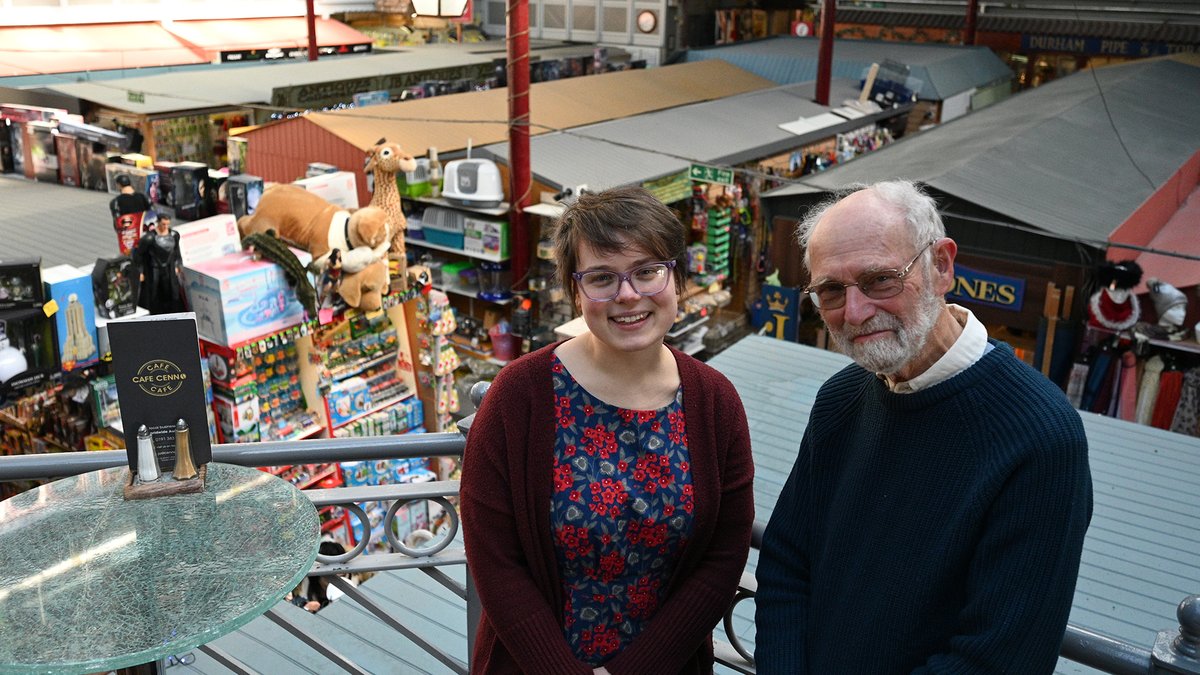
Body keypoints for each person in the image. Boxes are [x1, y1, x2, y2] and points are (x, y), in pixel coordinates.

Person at [754, 180, 1093, 674]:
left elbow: (998, 659)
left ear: (941, 266)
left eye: (880, 280)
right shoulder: (840, 398)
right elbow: (787, 561)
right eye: (830, 290)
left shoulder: (1040, 438)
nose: (855, 312)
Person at [460, 185, 754, 674]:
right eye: (601, 278)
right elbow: (493, 555)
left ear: (676, 277)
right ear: (576, 292)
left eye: (647, 271)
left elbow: (724, 556)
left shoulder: (715, 402)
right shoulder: (520, 395)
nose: (628, 295)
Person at [133, 213, 187, 315]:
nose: (165, 227)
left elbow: (176, 252)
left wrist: (178, 264)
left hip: (169, 268)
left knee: (171, 292)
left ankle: (171, 313)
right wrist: (140, 271)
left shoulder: (174, 235)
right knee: (153, 293)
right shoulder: (149, 238)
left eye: (167, 224)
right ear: (158, 223)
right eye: (163, 224)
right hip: (154, 269)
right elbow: (138, 255)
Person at [109, 173, 152, 255]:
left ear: (119, 185)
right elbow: (152, 216)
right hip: (146, 236)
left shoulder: (116, 202)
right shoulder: (143, 197)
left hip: (130, 239)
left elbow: (117, 224)